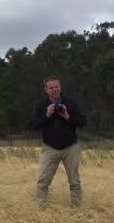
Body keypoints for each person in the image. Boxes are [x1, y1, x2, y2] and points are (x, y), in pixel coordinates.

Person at [30, 75, 86, 207]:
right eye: (51, 87)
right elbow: (33, 125)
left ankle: (78, 211)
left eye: (57, 87)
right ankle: (39, 209)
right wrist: (46, 115)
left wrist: (67, 116)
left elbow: (82, 122)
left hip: (70, 146)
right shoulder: (40, 105)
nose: (54, 89)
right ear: (46, 89)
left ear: (60, 87)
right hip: (50, 147)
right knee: (43, 180)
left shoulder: (71, 103)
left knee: (75, 181)